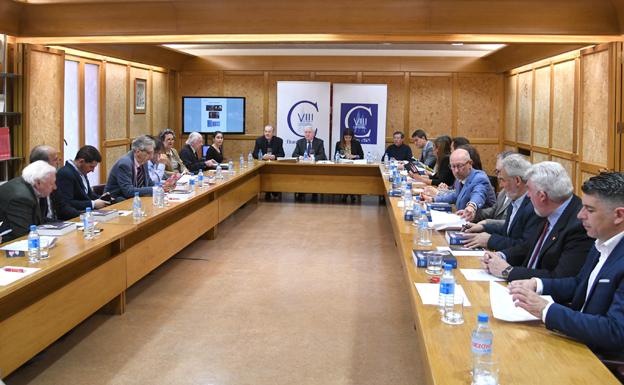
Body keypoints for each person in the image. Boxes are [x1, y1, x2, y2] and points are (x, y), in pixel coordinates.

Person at [509, 172, 624, 358]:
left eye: (590, 210)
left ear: (618, 215)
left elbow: (615, 331)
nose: (580, 215)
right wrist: (537, 284)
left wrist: (546, 310)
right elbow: (580, 284)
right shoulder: (601, 241)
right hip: (574, 340)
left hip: (598, 360)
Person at [481, 161, 593, 282]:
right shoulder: (548, 209)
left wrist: (508, 272)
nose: (528, 195)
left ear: (542, 196)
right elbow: (527, 248)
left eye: (529, 189)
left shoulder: (579, 225)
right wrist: (501, 256)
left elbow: (560, 278)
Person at [461, 154, 541, 253]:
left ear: (517, 180)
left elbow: (524, 247)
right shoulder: (515, 200)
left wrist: (490, 240)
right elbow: (509, 229)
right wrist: (483, 227)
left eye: (502, 180)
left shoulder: (534, 207)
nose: (500, 185)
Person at [423, 148, 495, 220]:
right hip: (462, 220)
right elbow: (455, 195)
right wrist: (433, 199)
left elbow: (479, 194)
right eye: (453, 166)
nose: (456, 171)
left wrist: (472, 206)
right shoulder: (460, 177)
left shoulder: (479, 178)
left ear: (470, 163)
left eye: (460, 166)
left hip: (479, 224)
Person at [0, 161, 57, 242]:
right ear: (38, 183)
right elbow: (23, 234)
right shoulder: (21, 197)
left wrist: (66, 225)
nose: (55, 187)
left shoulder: (34, 188)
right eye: (52, 184)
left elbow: (39, 219)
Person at [54, 145, 110, 220]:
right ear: (81, 161)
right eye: (91, 166)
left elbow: (89, 195)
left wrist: (102, 199)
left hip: (87, 214)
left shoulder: (82, 171)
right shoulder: (65, 174)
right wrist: (93, 204)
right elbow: (67, 203)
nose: (93, 170)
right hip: (75, 217)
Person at [104, 135, 156, 200]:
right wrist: (154, 189)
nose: (151, 157)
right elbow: (128, 191)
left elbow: (149, 182)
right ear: (138, 152)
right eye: (149, 153)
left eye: (152, 153)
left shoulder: (143, 161)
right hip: (116, 201)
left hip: (133, 200)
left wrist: (162, 186)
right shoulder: (124, 164)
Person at [473, 151, 515, 223]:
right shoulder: (503, 192)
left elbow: (510, 224)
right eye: (496, 171)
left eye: (499, 171)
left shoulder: (521, 196)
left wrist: (486, 223)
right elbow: (493, 210)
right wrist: (474, 214)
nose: (498, 176)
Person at [29, 145, 60, 222]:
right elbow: (38, 219)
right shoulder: (32, 182)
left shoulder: (53, 175)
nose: (58, 162)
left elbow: (61, 206)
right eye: (55, 159)